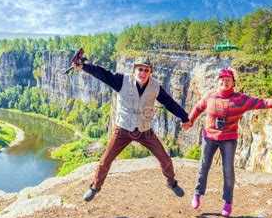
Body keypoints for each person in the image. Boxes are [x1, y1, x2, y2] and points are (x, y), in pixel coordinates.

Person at [187, 68, 272, 217]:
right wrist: (190, 120)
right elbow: (199, 107)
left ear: (233, 83)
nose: (224, 82)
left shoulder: (241, 99)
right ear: (218, 81)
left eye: (228, 80)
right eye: (222, 79)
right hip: (209, 137)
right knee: (204, 165)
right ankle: (197, 194)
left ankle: (228, 202)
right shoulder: (210, 95)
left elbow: (265, 103)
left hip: (229, 139)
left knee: (228, 170)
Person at [72, 53, 192, 201]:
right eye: (140, 69)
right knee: (105, 161)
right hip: (123, 129)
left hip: (144, 131)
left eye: (146, 70)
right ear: (134, 70)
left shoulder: (155, 87)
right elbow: (103, 74)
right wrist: (84, 66)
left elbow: (169, 103)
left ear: (150, 72)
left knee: (165, 159)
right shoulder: (122, 80)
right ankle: (95, 187)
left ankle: (171, 183)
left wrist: (184, 117)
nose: (142, 73)